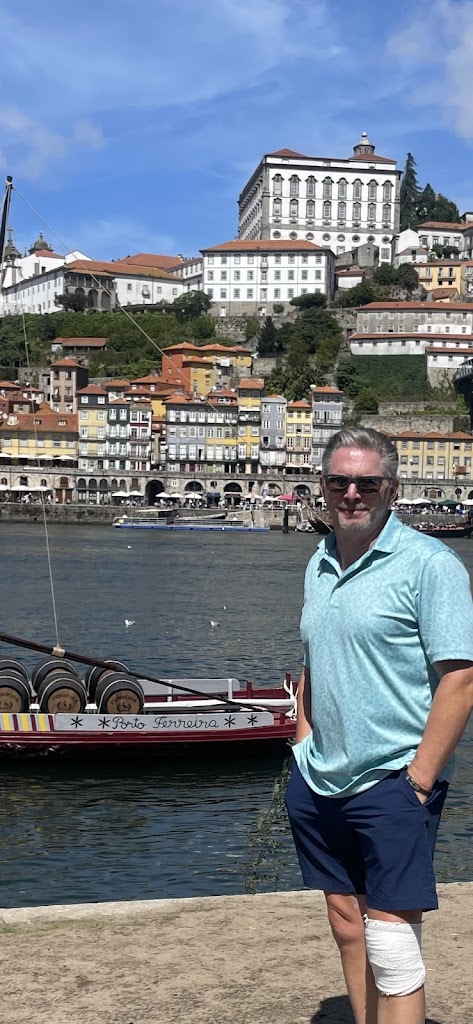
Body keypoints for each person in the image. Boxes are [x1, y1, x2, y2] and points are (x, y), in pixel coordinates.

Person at [285, 426, 473, 1024]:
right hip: (319, 777)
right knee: (346, 921)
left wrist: (418, 783)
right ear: (322, 486)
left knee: (392, 945)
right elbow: (314, 660)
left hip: (394, 778)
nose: (352, 494)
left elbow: (461, 679)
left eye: (367, 483)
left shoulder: (429, 565)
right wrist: (302, 742)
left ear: (392, 489)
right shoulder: (319, 561)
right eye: (339, 481)